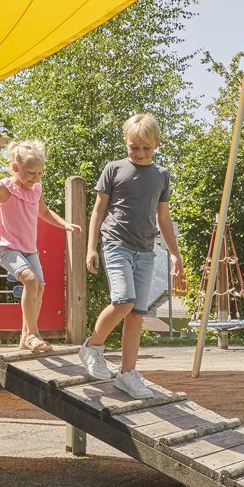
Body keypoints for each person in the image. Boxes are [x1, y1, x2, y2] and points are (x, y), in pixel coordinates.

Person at [81, 113, 183, 398]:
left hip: (145, 251)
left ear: (157, 145)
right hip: (116, 244)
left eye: (146, 148)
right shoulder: (113, 169)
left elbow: (163, 216)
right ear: (125, 142)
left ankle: (126, 373)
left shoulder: (161, 176)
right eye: (134, 147)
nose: (139, 153)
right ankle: (93, 346)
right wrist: (91, 248)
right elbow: (98, 211)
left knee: (137, 313)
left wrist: (174, 254)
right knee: (124, 300)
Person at [0, 139, 82, 354]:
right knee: (30, 280)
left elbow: (44, 213)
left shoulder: (36, 190)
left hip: (29, 248)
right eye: (30, 172)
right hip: (7, 247)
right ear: (15, 168)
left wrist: (64, 224)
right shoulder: (5, 187)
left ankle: (24, 338)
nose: (35, 178)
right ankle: (33, 334)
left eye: (39, 173)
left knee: (39, 287)